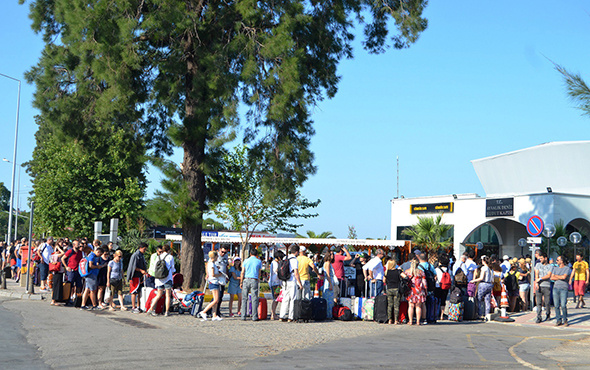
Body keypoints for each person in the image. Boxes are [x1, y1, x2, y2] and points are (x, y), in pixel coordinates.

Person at [148, 245, 175, 317]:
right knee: (168, 295)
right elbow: (173, 269)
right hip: (168, 278)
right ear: (168, 250)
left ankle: (151, 308)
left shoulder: (158, 257)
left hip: (159, 279)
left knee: (158, 294)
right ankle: (166, 311)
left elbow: (155, 268)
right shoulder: (170, 257)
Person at [280, 244, 303, 322]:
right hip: (291, 280)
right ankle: (290, 316)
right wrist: (299, 283)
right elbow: (296, 272)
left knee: (285, 298)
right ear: (296, 252)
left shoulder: (285, 258)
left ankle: (282, 315)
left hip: (285, 281)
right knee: (293, 298)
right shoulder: (294, 260)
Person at [199, 251, 223, 321]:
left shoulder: (210, 263)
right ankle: (203, 311)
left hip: (213, 282)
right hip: (213, 281)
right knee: (215, 300)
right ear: (215, 256)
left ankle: (214, 314)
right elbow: (213, 274)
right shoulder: (212, 264)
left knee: (216, 300)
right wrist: (219, 274)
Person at [240, 247, 263, 321]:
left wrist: (241, 281)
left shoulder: (246, 261)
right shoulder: (258, 261)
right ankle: (254, 316)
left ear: (250, 253)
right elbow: (259, 272)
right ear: (256, 254)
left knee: (244, 298)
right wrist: (258, 279)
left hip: (246, 279)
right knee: (254, 298)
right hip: (254, 279)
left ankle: (243, 315)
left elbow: (242, 272)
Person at [470, 256, 494, 321]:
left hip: (483, 284)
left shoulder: (484, 268)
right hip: (489, 284)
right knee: (487, 300)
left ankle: (480, 314)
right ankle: (487, 314)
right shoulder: (490, 269)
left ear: (483, 261)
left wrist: (474, 280)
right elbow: (492, 280)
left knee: (479, 299)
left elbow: (481, 277)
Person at [551, 255, 572, 326]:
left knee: (563, 305)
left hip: (563, 288)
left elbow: (564, 277)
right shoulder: (555, 268)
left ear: (561, 261)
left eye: (557, 260)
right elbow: (552, 277)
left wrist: (557, 276)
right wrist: (560, 277)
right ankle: (558, 320)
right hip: (555, 288)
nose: (556, 261)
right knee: (556, 305)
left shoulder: (567, 268)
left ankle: (565, 320)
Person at [126, 243, 148, 313]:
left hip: (140, 276)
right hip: (134, 276)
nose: (145, 250)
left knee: (139, 292)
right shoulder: (135, 255)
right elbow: (133, 267)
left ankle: (138, 306)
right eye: (144, 249)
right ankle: (133, 307)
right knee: (134, 292)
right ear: (140, 248)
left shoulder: (141, 255)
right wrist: (141, 270)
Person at [384, 258, 406, 324]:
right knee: (396, 305)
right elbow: (405, 277)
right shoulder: (398, 271)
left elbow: (384, 280)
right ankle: (396, 320)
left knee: (390, 305)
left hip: (389, 289)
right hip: (396, 289)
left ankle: (390, 319)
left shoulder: (387, 272)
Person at [405, 259, 426, 325]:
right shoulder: (421, 272)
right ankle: (418, 321)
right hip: (419, 291)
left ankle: (410, 321)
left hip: (410, 290)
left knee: (410, 306)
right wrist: (425, 290)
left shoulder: (407, 272)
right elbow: (424, 283)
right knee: (418, 306)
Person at [534, 252, 553, 323]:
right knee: (538, 302)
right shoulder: (538, 265)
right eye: (539, 258)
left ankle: (548, 314)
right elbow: (536, 273)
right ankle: (539, 317)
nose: (540, 260)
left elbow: (549, 275)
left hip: (546, 285)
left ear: (545, 258)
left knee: (547, 302)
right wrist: (537, 282)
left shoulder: (550, 266)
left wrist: (541, 278)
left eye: (541, 258)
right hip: (539, 285)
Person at [434, 254, 451, 321]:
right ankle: (441, 315)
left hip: (438, 286)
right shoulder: (449, 270)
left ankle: (435, 314)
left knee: (436, 300)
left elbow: (435, 278)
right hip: (446, 287)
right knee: (443, 301)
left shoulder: (437, 269)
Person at [215, 245, 230, 318]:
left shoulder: (226, 257)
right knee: (217, 296)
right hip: (216, 278)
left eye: (225, 252)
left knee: (221, 296)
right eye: (222, 252)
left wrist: (227, 276)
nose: (223, 254)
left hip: (223, 278)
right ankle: (213, 311)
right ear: (219, 249)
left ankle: (217, 311)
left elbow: (226, 266)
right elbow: (208, 264)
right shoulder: (215, 255)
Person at [269, 250, 284, 320]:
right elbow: (277, 270)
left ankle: (273, 313)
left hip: (276, 283)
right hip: (275, 283)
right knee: (276, 299)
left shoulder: (274, 262)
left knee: (276, 299)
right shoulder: (275, 263)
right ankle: (273, 313)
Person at [96, 240, 111, 309]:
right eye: (105, 254)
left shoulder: (109, 259)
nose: (106, 255)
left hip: (106, 275)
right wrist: (103, 265)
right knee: (100, 289)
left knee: (104, 288)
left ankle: (102, 301)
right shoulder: (99, 259)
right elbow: (97, 266)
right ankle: (99, 302)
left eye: (107, 254)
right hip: (100, 274)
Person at [322, 251, 337, 319]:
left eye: (333, 254)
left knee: (329, 298)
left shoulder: (328, 263)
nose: (332, 256)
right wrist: (330, 284)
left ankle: (328, 314)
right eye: (331, 254)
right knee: (329, 299)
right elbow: (328, 274)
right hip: (328, 281)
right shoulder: (327, 263)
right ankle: (328, 315)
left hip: (328, 280)